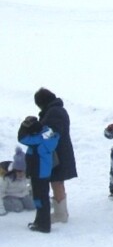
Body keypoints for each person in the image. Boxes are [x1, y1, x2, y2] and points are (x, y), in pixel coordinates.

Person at [33, 88, 77, 224]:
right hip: (61, 152)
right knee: (57, 181)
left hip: (57, 154)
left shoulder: (53, 112)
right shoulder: (56, 110)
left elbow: (52, 133)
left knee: (56, 181)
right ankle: (61, 211)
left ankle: (60, 213)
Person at [18, 115, 60, 232]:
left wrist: (24, 126)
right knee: (42, 197)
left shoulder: (37, 140)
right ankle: (40, 221)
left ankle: (44, 225)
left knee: (40, 199)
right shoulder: (47, 133)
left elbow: (21, 138)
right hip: (44, 171)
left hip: (38, 172)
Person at [1, 148, 35, 215]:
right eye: (19, 171)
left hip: (23, 194)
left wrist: (30, 192)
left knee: (32, 206)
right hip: (10, 195)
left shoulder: (27, 176)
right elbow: (0, 192)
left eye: (23, 171)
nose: (21, 174)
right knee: (18, 207)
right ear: (14, 170)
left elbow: (33, 185)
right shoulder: (7, 178)